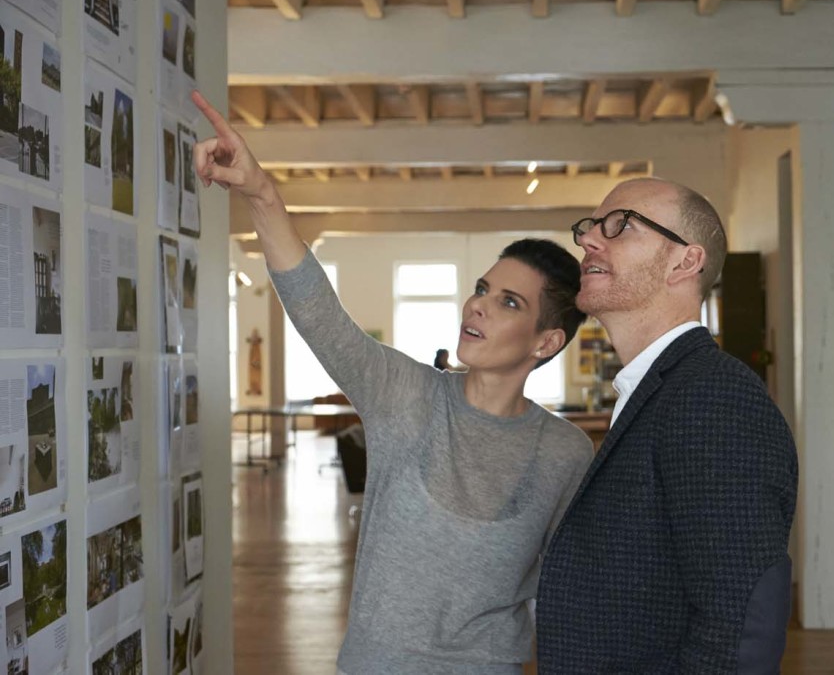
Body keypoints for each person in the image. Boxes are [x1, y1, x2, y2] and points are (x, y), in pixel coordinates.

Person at [189, 90, 594, 675]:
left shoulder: (564, 453)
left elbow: (571, 591)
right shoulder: (405, 395)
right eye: (481, 289)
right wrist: (260, 193)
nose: (477, 306)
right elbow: (318, 312)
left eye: (507, 302)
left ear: (545, 341)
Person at [536, 178, 798, 673]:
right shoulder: (658, 391)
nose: (590, 239)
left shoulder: (713, 399)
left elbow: (741, 626)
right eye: (590, 227)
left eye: (621, 226)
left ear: (686, 262)